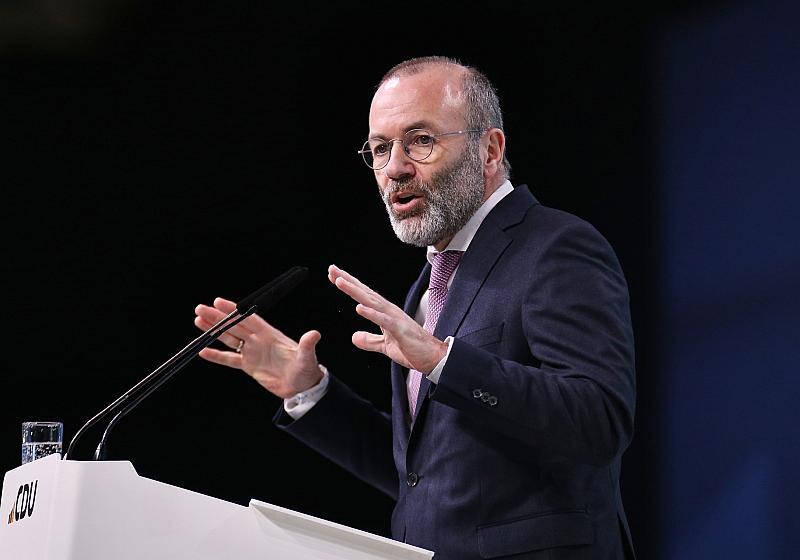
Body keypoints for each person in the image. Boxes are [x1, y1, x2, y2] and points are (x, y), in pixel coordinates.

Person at [194, 56, 636, 560]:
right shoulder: (429, 285)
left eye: (420, 140)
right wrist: (311, 393)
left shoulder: (555, 246)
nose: (395, 169)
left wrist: (443, 361)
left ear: (490, 150)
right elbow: (425, 479)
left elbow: (600, 421)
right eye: (381, 148)